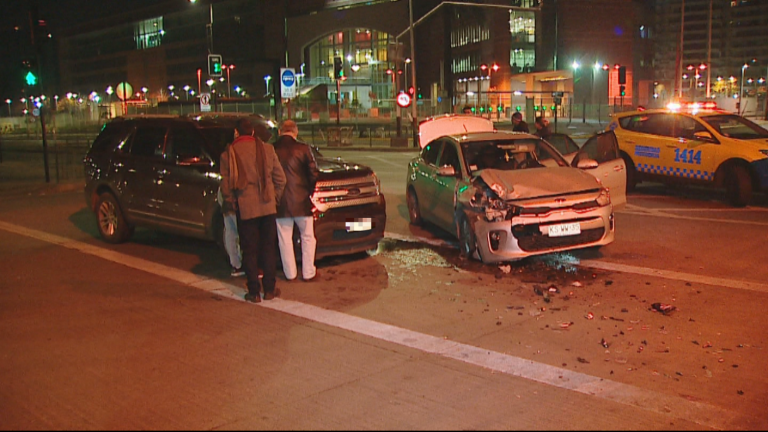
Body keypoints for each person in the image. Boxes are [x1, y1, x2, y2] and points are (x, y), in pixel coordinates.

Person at [220, 118, 286, 303]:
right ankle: (270, 289)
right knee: (268, 248)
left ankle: (254, 292)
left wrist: (231, 201)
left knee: (249, 250)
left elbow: (226, 186)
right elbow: (281, 180)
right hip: (267, 206)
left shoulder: (228, 154)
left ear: (236, 132)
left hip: (245, 208)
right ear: (253, 132)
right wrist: (274, 199)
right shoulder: (267, 149)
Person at [273, 120, 320, 282]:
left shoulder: (272, 149)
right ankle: (308, 271)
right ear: (296, 131)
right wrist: (308, 191)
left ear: (280, 131)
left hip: (280, 201)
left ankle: (290, 273)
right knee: (307, 236)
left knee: (284, 238)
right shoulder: (303, 148)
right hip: (301, 200)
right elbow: (314, 173)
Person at [217, 185, 243, 277]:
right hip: (237, 196)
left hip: (225, 193)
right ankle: (249, 264)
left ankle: (235, 264)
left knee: (230, 230)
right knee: (244, 231)